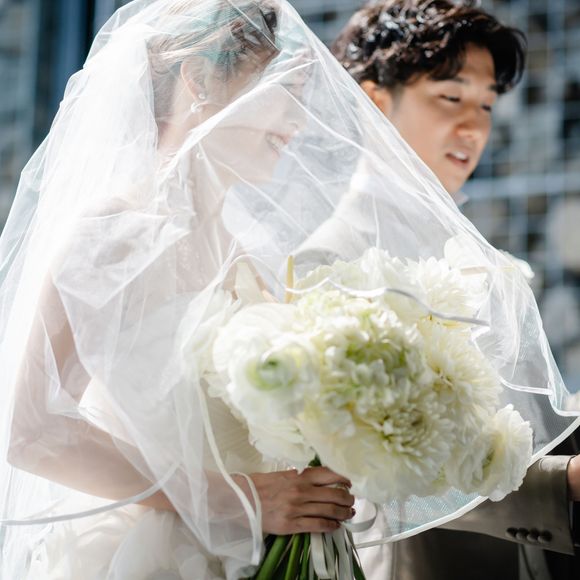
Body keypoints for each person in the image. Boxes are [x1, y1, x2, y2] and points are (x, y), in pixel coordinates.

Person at [0, 1, 577, 579]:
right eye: (282, 91)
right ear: (199, 80)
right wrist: (238, 498)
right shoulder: (113, 234)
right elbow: (31, 431)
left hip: (262, 551)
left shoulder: (242, 249)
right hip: (160, 553)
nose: (296, 124)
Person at [327, 1, 580, 578]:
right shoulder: (328, 261)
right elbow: (372, 472)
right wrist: (562, 482)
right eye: (450, 97)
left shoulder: (467, 245)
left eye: (486, 104)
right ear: (374, 102)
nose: (475, 126)